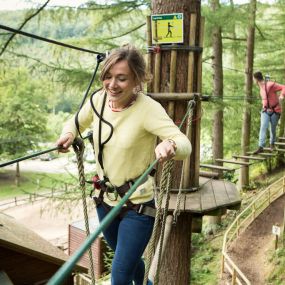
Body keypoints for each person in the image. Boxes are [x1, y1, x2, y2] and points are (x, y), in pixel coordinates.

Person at [56, 45, 191, 285]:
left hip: (137, 207)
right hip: (104, 202)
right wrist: (68, 134)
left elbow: (184, 144)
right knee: (129, 262)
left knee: (119, 276)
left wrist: (170, 144)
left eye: (121, 78)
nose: (112, 85)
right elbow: (75, 123)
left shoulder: (148, 109)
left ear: (137, 79)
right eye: (108, 77)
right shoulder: (98, 100)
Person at [253, 71, 285, 154]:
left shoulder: (270, 85)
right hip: (265, 111)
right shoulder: (260, 86)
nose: (253, 81)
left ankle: (272, 144)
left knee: (273, 129)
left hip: (275, 111)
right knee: (263, 126)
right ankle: (261, 146)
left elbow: (283, 87)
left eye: (253, 79)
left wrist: (282, 95)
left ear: (256, 79)